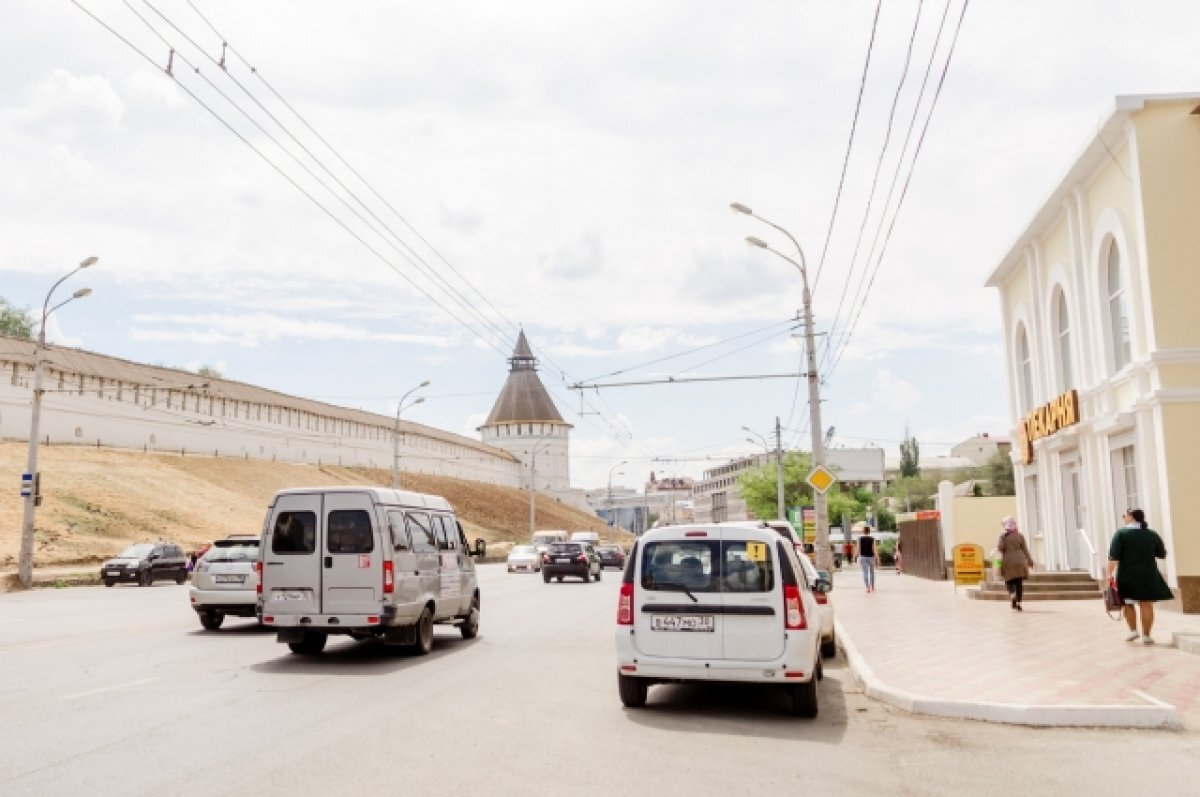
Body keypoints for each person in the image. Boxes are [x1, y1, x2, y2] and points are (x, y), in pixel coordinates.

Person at [1107, 509, 1174, 644]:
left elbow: (1113, 557)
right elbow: (1162, 554)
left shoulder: (1121, 533)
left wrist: (1109, 574)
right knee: (1146, 604)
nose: (1123, 518)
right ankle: (1146, 635)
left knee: (1127, 604)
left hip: (1127, 575)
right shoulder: (1151, 534)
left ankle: (1133, 631)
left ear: (1131, 517)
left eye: (1124, 515)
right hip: (1148, 574)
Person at [997, 516, 1035, 611]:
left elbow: (1000, 548)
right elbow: (1025, 550)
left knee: (1009, 581)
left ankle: (1012, 594)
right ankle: (1018, 603)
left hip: (1008, 561)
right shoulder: (1020, 536)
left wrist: (1002, 540)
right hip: (1020, 561)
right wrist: (1030, 561)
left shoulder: (1003, 536)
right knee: (1019, 582)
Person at [857, 526, 877, 593]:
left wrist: (855, 556)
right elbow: (873, 549)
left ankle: (867, 588)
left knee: (865, 573)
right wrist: (877, 557)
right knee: (872, 572)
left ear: (863, 531)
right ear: (869, 531)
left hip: (863, 557)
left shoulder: (860, 539)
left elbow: (858, 549)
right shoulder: (872, 539)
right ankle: (872, 587)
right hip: (871, 557)